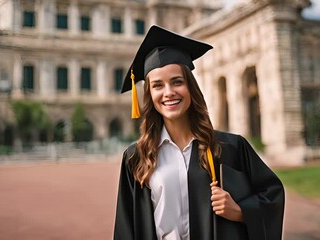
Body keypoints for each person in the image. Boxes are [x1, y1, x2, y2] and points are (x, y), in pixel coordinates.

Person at [113, 25, 285, 240]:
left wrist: (241, 212)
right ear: (149, 94)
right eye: (158, 85)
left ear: (191, 88)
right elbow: (126, 228)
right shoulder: (137, 157)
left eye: (177, 82)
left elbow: (272, 195)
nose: (169, 92)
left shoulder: (229, 147)